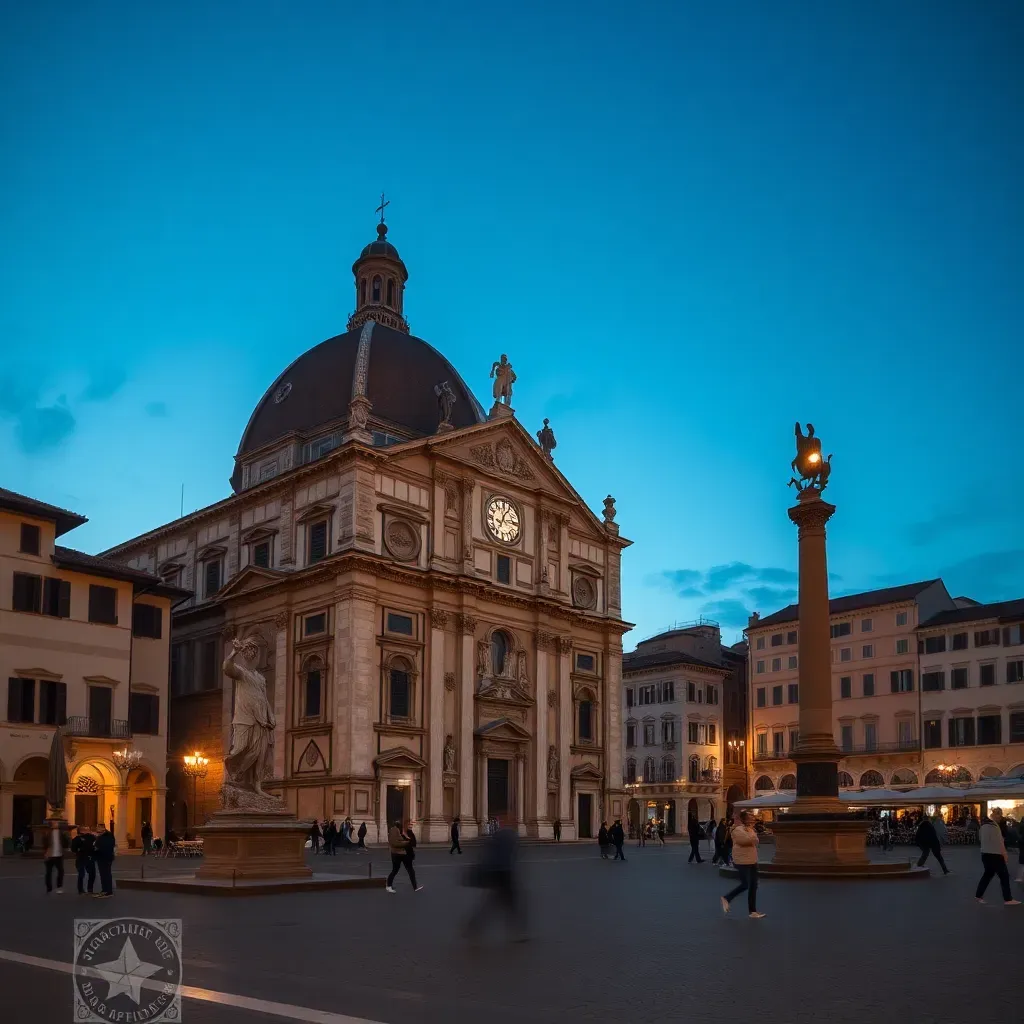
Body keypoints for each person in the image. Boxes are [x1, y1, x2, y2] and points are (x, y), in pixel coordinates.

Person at [463, 815, 527, 942]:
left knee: (493, 904)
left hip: (497, 872)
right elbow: (510, 855)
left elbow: (488, 852)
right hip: (504, 873)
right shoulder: (510, 835)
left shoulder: (498, 835)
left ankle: (473, 926)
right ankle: (516, 932)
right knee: (507, 905)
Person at [720, 811, 764, 919]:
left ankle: (753, 911)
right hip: (742, 860)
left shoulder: (748, 829)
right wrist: (753, 838)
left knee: (754, 885)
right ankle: (727, 898)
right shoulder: (737, 829)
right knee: (746, 884)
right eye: (749, 817)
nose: (752, 819)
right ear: (743, 819)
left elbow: (755, 839)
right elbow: (745, 840)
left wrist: (753, 838)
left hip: (752, 860)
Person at [975, 812, 1020, 906]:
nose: (1000, 818)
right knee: (1004, 876)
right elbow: (1000, 842)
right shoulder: (995, 827)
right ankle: (1008, 899)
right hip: (995, 854)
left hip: (985, 854)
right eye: (999, 816)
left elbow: (979, 839)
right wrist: (1005, 855)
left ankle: (978, 895)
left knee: (987, 875)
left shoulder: (983, 826)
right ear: (996, 817)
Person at [385, 821, 421, 893]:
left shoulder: (396, 832)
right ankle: (389, 885)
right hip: (399, 854)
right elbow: (396, 843)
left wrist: (407, 838)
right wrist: (407, 842)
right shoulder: (395, 831)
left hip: (400, 854)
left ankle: (415, 887)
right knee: (400, 870)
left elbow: (410, 842)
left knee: (408, 870)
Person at [43, 821, 68, 894]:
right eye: (54, 823)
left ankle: (59, 887)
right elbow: (44, 843)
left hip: (59, 855)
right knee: (48, 872)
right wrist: (45, 853)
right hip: (50, 855)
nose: (55, 824)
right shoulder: (47, 833)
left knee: (61, 871)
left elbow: (66, 842)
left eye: (56, 823)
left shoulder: (61, 833)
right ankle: (49, 888)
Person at [93, 822, 116, 898]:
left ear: (103, 828)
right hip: (100, 857)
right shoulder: (100, 835)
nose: (97, 829)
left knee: (106, 874)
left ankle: (108, 891)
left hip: (106, 857)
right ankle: (104, 890)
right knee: (103, 874)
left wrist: (97, 846)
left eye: (98, 827)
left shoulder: (108, 835)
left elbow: (108, 845)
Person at [71, 827, 96, 895]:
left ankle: (90, 889)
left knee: (92, 874)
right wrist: (79, 850)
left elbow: (95, 845)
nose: (88, 830)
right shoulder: (77, 838)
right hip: (81, 858)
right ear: (81, 831)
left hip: (89, 858)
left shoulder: (92, 837)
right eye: (85, 829)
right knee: (81, 874)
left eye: (88, 829)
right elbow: (73, 849)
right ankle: (81, 889)